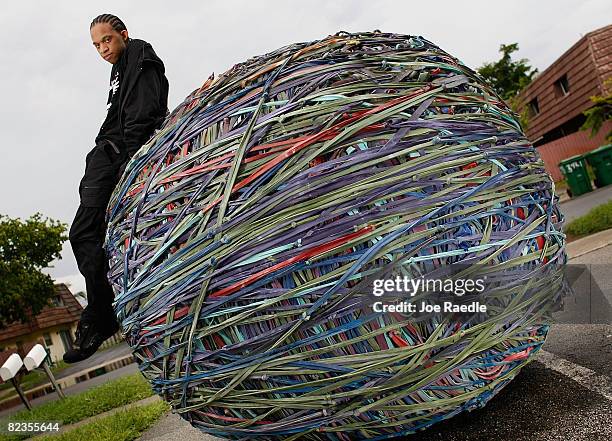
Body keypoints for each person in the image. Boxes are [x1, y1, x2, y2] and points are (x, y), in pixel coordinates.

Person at [64, 14, 169, 363]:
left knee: (81, 233)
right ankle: (110, 306)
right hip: (105, 155)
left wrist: (130, 169)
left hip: (116, 157)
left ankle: (101, 315)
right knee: (89, 235)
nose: (102, 49)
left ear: (124, 34)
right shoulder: (120, 66)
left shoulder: (139, 54)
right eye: (96, 45)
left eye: (107, 40)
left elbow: (143, 114)